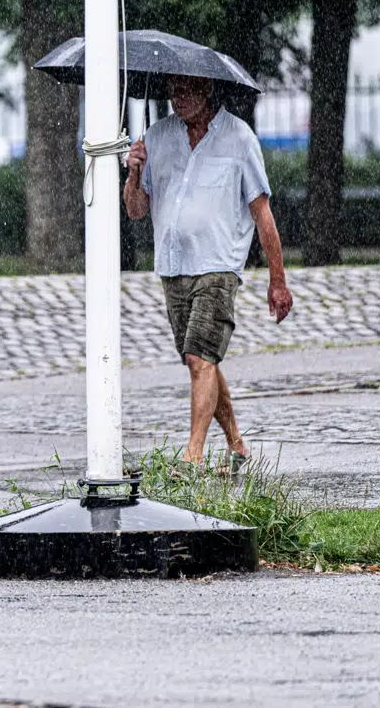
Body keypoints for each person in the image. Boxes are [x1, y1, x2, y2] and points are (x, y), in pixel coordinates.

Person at [124, 74, 293, 474]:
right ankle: (237, 444)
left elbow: (262, 212)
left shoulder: (239, 138)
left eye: (186, 90)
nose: (178, 98)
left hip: (219, 265)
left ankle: (193, 456)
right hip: (173, 266)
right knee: (201, 361)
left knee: (200, 357)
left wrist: (278, 280)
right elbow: (136, 210)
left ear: (207, 89)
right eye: (173, 91)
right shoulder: (156, 138)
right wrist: (134, 173)